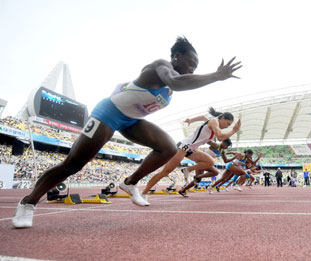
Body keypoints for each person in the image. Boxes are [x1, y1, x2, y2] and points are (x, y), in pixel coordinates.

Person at [12, 36, 242, 228]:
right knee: (73, 164)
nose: (193, 69)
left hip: (132, 120)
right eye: (190, 63)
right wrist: (215, 76)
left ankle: (130, 183)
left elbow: (159, 87)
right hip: (109, 113)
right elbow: (179, 81)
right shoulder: (162, 66)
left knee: (168, 148)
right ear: (176, 57)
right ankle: (28, 202)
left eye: (196, 67)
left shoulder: (170, 88)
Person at [142, 107, 241, 196]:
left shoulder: (211, 122)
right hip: (183, 147)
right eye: (228, 124)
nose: (228, 127)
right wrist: (233, 131)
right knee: (165, 171)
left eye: (230, 126)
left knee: (210, 162)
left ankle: (187, 170)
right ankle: (144, 192)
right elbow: (220, 137)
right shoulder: (214, 121)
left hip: (192, 150)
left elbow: (203, 117)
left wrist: (191, 120)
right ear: (222, 118)